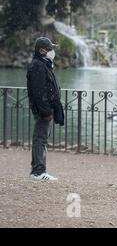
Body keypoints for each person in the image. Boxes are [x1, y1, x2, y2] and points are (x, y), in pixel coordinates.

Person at [27, 37, 65, 181]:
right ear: (42, 50)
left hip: (46, 109)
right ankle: (38, 172)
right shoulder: (38, 65)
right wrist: (46, 111)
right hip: (44, 111)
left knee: (41, 138)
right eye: (50, 49)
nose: (52, 51)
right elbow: (39, 92)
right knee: (40, 139)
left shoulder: (43, 64)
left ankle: (37, 170)